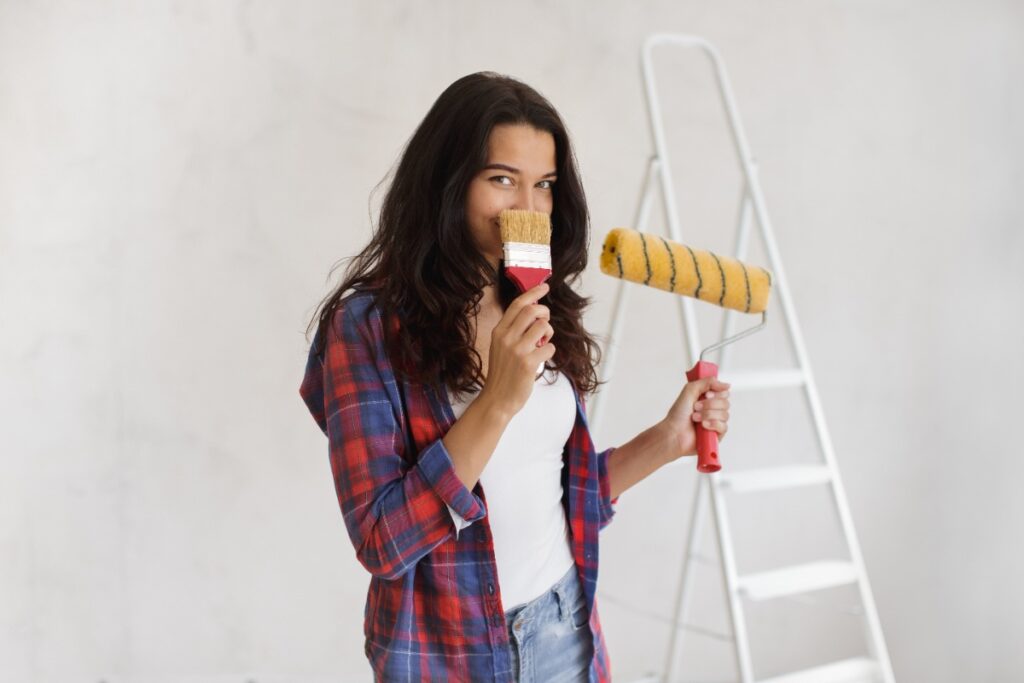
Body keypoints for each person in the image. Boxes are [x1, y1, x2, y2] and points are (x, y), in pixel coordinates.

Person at [299, 71, 731, 683]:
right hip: (447, 654)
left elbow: (555, 496)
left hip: (565, 630)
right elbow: (381, 543)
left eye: (545, 186)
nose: (528, 209)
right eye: (502, 180)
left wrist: (667, 440)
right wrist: (497, 402)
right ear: (448, 183)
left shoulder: (535, 301)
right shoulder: (367, 327)